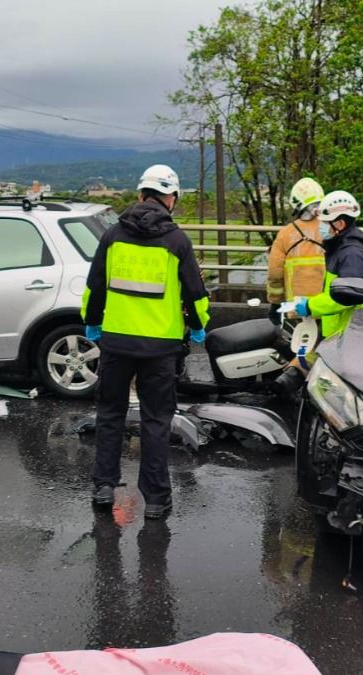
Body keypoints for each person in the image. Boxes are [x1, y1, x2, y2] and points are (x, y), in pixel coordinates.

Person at [82, 164, 210, 520]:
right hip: (160, 347)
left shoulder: (112, 236)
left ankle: (103, 487)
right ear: (172, 199)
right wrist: (198, 326)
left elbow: (94, 286)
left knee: (110, 413)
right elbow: (195, 293)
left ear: (140, 195)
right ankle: (155, 500)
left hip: (117, 342)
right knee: (156, 420)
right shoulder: (177, 241)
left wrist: (92, 323)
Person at [267, 178, 328, 397]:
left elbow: (275, 274)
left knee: (300, 344)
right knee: (324, 346)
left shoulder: (286, 234)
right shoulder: (329, 231)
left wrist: (275, 303)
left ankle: (294, 378)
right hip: (326, 305)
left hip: (296, 307)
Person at [292, 190, 363, 339]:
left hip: (348, 336)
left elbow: (346, 296)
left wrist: (310, 306)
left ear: (339, 224)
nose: (320, 226)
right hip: (340, 333)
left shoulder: (351, 255)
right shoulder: (341, 247)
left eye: (325, 222)